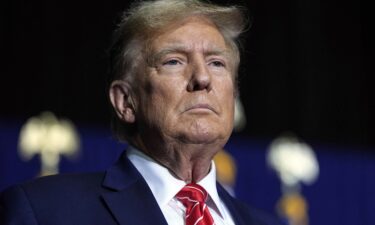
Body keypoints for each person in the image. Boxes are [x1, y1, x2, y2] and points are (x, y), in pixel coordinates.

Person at [0, 0, 282, 224]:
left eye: (217, 63)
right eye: (173, 61)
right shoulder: (45, 211)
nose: (202, 78)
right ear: (125, 101)